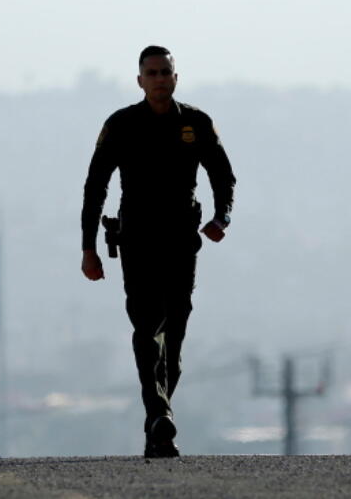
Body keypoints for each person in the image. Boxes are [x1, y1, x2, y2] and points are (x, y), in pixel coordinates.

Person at [80, 45, 236, 458]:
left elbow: (223, 176)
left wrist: (222, 218)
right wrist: (88, 249)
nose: (159, 79)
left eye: (165, 72)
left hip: (182, 240)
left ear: (175, 77)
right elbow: (96, 187)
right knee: (148, 327)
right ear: (140, 80)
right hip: (137, 240)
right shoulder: (122, 125)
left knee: (176, 336)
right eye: (151, 73)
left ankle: (156, 418)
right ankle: (160, 417)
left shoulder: (196, 123)